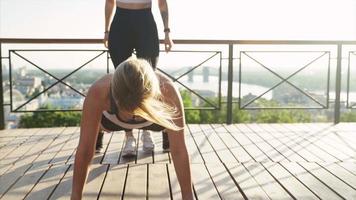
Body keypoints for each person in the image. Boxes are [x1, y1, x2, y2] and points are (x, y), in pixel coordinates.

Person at [71, 58, 193, 200]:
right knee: (93, 130)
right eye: (126, 110)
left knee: (171, 124)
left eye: (137, 109)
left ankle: (165, 130)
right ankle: (100, 132)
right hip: (111, 122)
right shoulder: (99, 91)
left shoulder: (167, 90)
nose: (132, 116)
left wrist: (188, 196)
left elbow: (178, 150)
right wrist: (75, 197)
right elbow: (85, 150)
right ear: (113, 95)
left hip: (155, 118)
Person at [97, 0, 173, 155]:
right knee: (122, 81)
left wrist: (167, 32)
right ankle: (129, 135)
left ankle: (147, 129)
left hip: (145, 21)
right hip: (120, 22)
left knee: (148, 79)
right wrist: (106, 31)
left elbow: (162, 4)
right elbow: (110, 2)